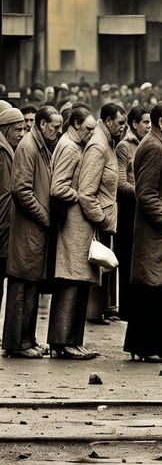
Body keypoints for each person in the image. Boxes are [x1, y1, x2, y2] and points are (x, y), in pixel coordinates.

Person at [124, 101, 162, 363]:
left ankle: (157, 346)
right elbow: (145, 193)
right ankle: (147, 347)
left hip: (160, 232)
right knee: (152, 285)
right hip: (155, 232)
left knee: (160, 286)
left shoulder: (161, 143)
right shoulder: (153, 147)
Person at [3, 106, 62, 358]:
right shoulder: (29, 147)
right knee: (22, 284)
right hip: (29, 229)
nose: (59, 131)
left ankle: (28, 340)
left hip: (34, 229)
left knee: (31, 285)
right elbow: (21, 191)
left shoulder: (38, 145)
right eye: (55, 127)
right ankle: (17, 344)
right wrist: (44, 217)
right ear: (41, 125)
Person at [47, 107, 98, 359]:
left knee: (77, 282)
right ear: (75, 124)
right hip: (72, 225)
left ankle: (72, 341)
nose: (91, 133)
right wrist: (80, 197)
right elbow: (58, 187)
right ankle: (63, 341)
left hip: (76, 226)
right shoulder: (69, 147)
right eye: (88, 128)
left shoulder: (72, 144)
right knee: (70, 282)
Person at [82, 104, 127, 325]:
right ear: (108, 121)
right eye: (120, 123)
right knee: (92, 273)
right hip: (97, 222)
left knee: (100, 274)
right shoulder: (99, 146)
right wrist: (100, 218)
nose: (123, 128)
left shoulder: (108, 141)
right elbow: (86, 192)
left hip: (104, 221)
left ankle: (95, 314)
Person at [114, 106, 150, 321]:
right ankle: (125, 308)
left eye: (150, 122)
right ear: (134, 124)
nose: (148, 126)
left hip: (144, 209)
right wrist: (144, 192)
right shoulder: (124, 147)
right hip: (128, 210)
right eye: (145, 122)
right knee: (127, 259)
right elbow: (120, 182)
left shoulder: (151, 143)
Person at [0, 106, 26, 309]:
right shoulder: (2, 152)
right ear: (5, 128)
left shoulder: (9, 149)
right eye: (18, 129)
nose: (22, 134)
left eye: (24, 129)